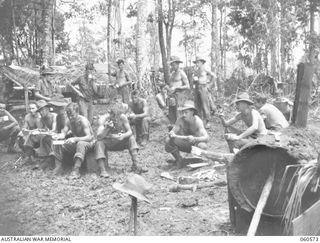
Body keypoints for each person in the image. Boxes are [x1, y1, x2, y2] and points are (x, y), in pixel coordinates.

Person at [94, 101, 147, 177]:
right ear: (110, 113)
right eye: (114, 115)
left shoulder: (122, 117)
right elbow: (99, 136)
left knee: (131, 138)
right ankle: (103, 170)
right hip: (109, 142)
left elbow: (130, 132)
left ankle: (136, 165)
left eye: (117, 115)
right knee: (99, 143)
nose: (116, 117)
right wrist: (107, 128)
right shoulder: (103, 119)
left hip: (119, 141)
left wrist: (123, 136)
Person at [53, 103, 95, 178]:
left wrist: (75, 139)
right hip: (77, 142)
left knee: (80, 143)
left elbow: (90, 137)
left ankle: (76, 170)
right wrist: (58, 136)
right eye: (68, 115)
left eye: (72, 115)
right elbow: (63, 134)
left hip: (89, 143)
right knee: (57, 142)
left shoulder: (83, 121)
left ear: (77, 112)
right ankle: (59, 166)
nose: (70, 118)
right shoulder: (68, 121)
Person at [164, 100, 209, 169]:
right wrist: (171, 133)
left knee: (203, 146)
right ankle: (179, 160)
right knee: (168, 141)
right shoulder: (180, 120)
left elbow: (206, 137)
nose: (184, 115)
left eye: (186, 112)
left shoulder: (197, 121)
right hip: (185, 144)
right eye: (183, 112)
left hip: (196, 145)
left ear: (192, 112)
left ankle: (199, 160)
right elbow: (173, 131)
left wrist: (195, 139)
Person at [166, 56, 190, 124]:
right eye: (171, 65)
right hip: (172, 96)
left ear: (177, 64)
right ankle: (173, 129)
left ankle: (181, 129)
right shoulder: (172, 74)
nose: (172, 66)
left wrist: (177, 88)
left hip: (180, 96)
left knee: (179, 114)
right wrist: (167, 88)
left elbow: (188, 86)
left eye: (173, 65)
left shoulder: (182, 73)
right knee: (172, 113)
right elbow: (171, 85)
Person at [192, 56, 216, 128]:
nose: (197, 64)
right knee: (197, 104)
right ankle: (199, 121)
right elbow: (194, 81)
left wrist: (210, 85)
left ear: (202, 62)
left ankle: (208, 121)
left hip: (203, 87)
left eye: (198, 62)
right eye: (196, 62)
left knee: (205, 104)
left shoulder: (205, 70)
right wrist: (193, 86)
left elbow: (214, 76)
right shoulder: (196, 71)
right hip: (197, 88)